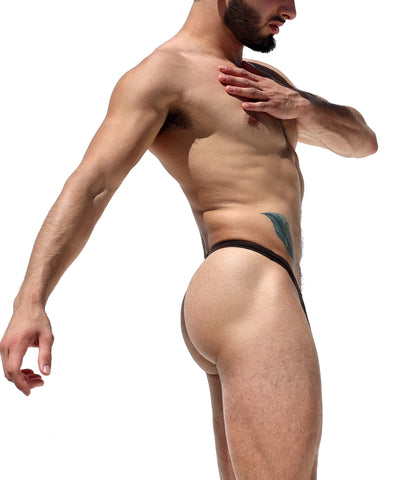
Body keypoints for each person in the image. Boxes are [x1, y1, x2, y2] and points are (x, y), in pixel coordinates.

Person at [0, 0, 377, 478]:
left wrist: (301, 105)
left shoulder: (264, 80)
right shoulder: (164, 75)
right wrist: (30, 299)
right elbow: (93, 183)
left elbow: (362, 142)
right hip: (247, 282)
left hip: (255, 290)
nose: (292, 10)